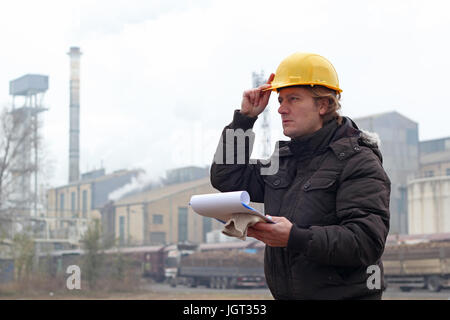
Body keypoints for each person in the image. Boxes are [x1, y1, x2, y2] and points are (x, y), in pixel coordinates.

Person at [210, 52, 391, 300]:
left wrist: (295, 237)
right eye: (281, 100)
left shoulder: (358, 161)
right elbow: (227, 178)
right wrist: (245, 119)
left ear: (323, 105)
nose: (282, 109)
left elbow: (366, 242)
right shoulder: (284, 161)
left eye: (293, 99)